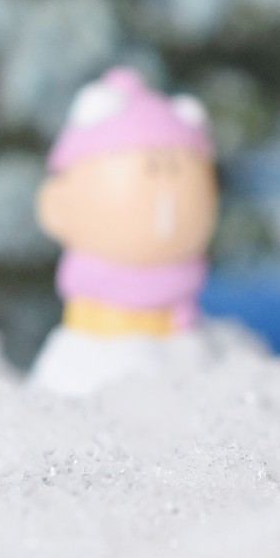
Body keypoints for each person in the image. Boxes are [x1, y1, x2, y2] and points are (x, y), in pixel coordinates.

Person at [30, 66, 218, 395]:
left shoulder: (194, 337)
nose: (164, 183)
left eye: (178, 168)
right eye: (151, 168)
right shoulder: (78, 356)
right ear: (55, 206)